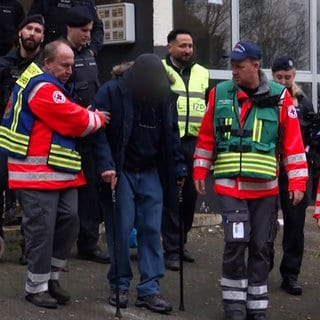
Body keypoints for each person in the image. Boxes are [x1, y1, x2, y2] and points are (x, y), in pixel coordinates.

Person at [193, 40, 308, 320]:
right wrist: (199, 170)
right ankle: (233, 305)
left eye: (239, 66)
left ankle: (257, 306)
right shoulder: (218, 94)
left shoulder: (281, 98)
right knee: (236, 242)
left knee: (261, 246)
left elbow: (293, 145)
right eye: (231, 65)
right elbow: (207, 135)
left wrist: (297, 183)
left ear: (255, 67)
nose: (232, 71)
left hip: (265, 191)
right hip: (230, 188)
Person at [0, 39, 108, 309]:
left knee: (69, 222)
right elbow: (72, 119)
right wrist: (95, 118)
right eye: (64, 65)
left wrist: (83, 114)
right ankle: (36, 287)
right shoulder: (43, 87)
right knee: (42, 231)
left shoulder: (49, 84)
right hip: (36, 174)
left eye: (72, 65)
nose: (70, 70)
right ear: (47, 63)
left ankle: (52, 278)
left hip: (59, 171)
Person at [91, 54, 187, 314]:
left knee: (150, 230)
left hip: (150, 170)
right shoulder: (112, 92)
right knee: (120, 230)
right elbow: (97, 132)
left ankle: (149, 289)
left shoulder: (164, 95)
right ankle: (119, 284)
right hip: (120, 170)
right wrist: (106, 165)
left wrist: (178, 165)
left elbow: (172, 133)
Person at [161, 29, 209, 271]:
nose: (187, 50)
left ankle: (181, 241)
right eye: (182, 45)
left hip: (195, 142)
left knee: (190, 197)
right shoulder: (161, 69)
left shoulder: (202, 72)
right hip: (170, 141)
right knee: (172, 196)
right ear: (170, 47)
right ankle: (171, 249)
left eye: (190, 46)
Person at [0, 13, 45, 264]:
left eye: (38, 30)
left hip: (33, 141)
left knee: (30, 198)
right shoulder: (4, 64)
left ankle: (31, 247)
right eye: (29, 28)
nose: (32, 34)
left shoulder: (44, 66)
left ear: (43, 37)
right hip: (3, 140)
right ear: (20, 32)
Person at [65, 5, 109, 264]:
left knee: (91, 192)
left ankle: (88, 244)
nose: (87, 35)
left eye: (90, 31)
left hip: (91, 133)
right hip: (68, 136)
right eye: (83, 31)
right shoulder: (59, 54)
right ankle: (58, 246)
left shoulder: (90, 53)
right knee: (66, 196)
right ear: (69, 28)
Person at [271, 56, 314, 296]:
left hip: (295, 171)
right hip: (269, 169)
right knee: (265, 222)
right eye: (279, 77)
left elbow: (312, 136)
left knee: (295, 225)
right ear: (272, 76)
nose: (284, 81)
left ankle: (291, 274)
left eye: (288, 77)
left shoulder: (303, 102)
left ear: (294, 76)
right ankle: (261, 267)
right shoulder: (265, 99)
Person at [28, 0, 103, 56]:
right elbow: (32, 24)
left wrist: (92, 50)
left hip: (79, 55)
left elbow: (97, 27)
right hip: (50, 53)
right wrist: (39, 52)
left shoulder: (86, 1)